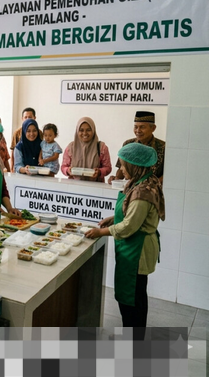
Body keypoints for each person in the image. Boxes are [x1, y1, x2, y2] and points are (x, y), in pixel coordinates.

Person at [85, 143, 163, 338]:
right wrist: (114, 218)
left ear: (135, 165)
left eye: (124, 165)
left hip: (137, 251)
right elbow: (132, 215)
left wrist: (100, 232)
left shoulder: (143, 192)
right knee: (135, 296)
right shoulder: (141, 181)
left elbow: (129, 226)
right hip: (133, 248)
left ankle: (133, 342)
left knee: (132, 299)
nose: (121, 169)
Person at [108, 111, 165, 185]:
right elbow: (122, 168)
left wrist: (153, 184)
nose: (138, 131)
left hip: (152, 189)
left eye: (142, 127)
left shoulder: (163, 147)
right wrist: (116, 179)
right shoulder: (128, 144)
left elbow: (168, 173)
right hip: (131, 189)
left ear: (153, 128)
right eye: (135, 127)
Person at [61, 117, 112, 182]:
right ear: (77, 131)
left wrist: (99, 172)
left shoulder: (101, 148)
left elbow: (108, 167)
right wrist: (68, 170)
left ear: (93, 130)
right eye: (81, 130)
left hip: (95, 186)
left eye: (88, 130)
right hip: (74, 185)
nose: (85, 133)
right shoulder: (71, 148)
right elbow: (63, 167)